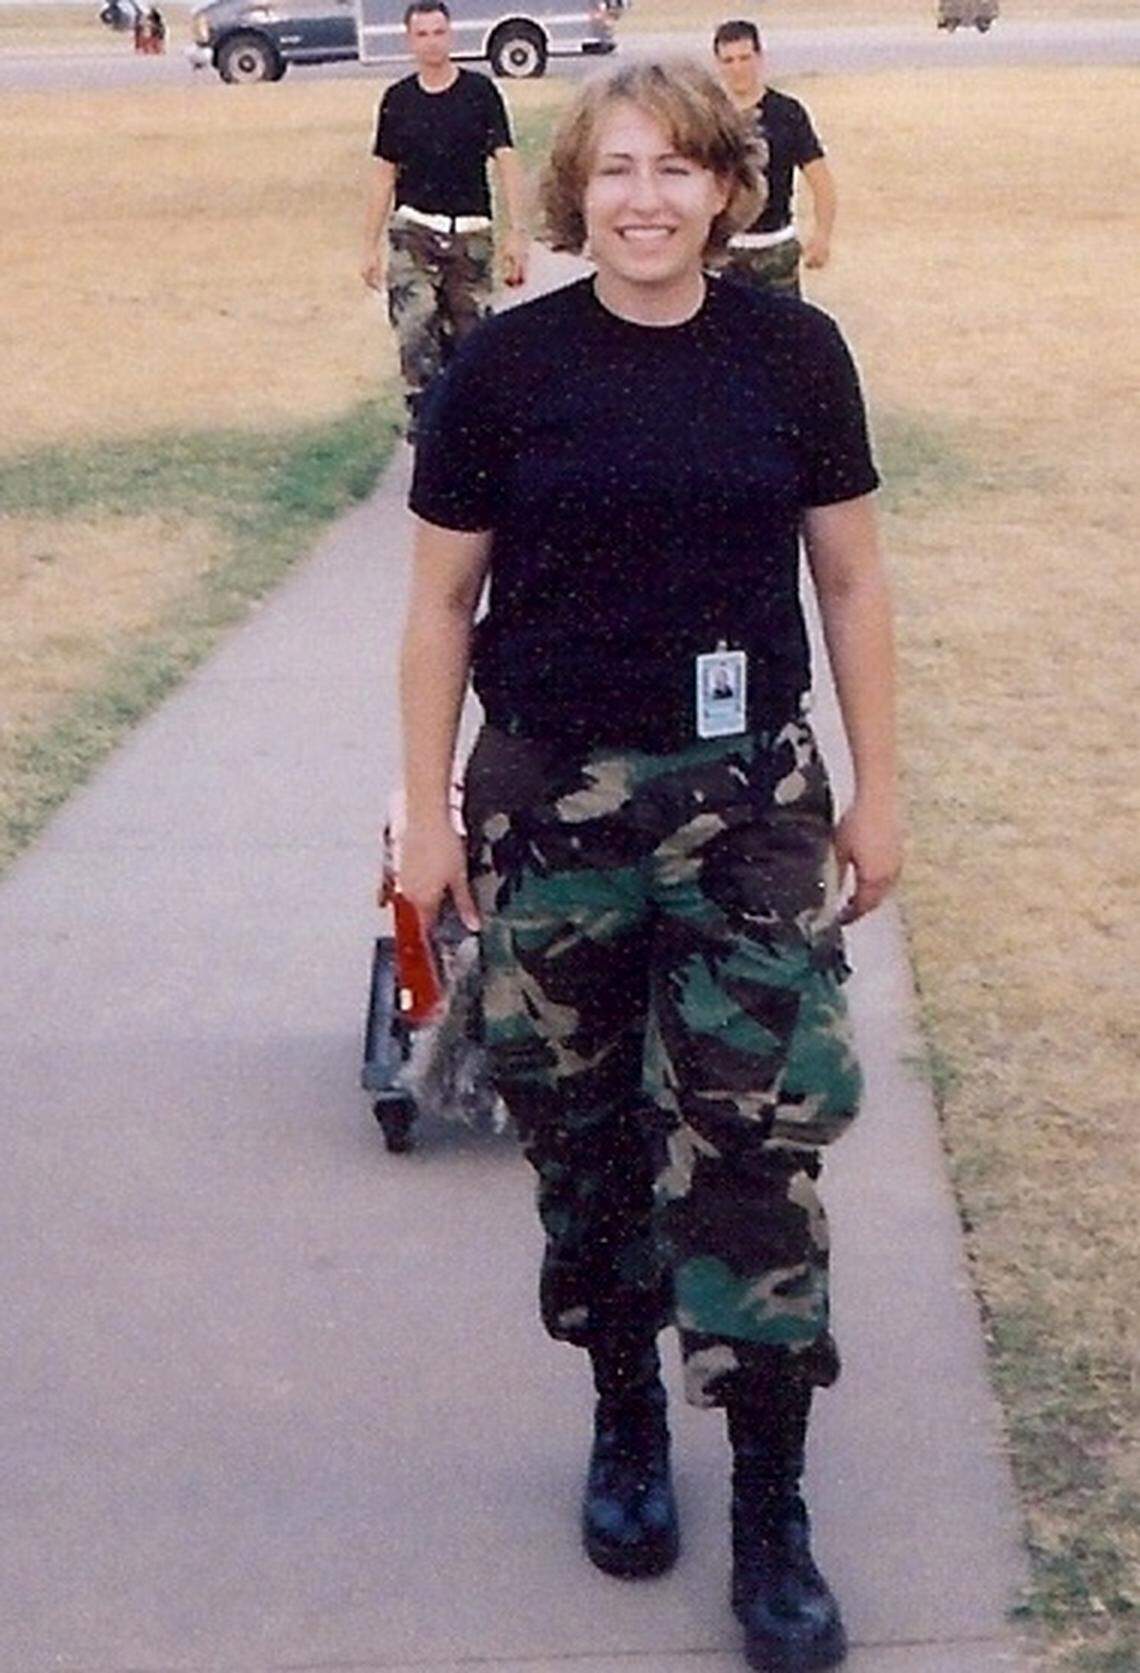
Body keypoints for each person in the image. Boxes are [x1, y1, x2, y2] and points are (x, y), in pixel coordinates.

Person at [398, 57, 901, 1673]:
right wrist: (426, 814)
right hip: (548, 807)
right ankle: (624, 1414)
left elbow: (851, 581)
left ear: (726, 190)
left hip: (749, 807)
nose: (645, 199)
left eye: (677, 169)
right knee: (586, 1137)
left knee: (757, 1142)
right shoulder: (504, 366)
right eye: (615, 169)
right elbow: (440, 607)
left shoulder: (795, 354)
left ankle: (771, 1505)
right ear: (574, 191)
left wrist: (878, 792)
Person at [359, 1, 529, 440]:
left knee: (470, 342)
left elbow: (507, 161)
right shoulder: (398, 100)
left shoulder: (480, 93)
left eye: (438, 33)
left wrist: (517, 233)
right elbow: (383, 173)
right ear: (409, 41)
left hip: (469, 234)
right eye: (422, 34)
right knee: (415, 325)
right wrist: (368, 245)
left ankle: (469, 431)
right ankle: (425, 421)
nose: (432, 43)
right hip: (414, 230)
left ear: (450, 35)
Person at [713, 19, 837, 296]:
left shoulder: (787, 113)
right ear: (717, 64)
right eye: (728, 60)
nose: (737, 68)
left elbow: (820, 180)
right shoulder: (709, 116)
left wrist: (822, 236)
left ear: (759, 58)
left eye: (745, 58)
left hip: (776, 252)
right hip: (721, 254)